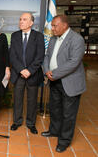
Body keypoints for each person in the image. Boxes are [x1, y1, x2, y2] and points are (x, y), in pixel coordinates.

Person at [42, 15, 86, 153]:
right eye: (52, 26)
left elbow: (74, 62)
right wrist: (47, 71)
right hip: (54, 81)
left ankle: (64, 141)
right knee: (55, 108)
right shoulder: (54, 38)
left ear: (65, 25)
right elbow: (47, 56)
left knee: (68, 114)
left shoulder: (77, 39)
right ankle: (54, 131)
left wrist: (54, 74)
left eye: (55, 26)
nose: (52, 28)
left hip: (69, 82)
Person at [9, 13, 45, 134]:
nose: (21, 22)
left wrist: (29, 70)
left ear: (31, 23)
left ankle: (31, 123)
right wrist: (21, 70)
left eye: (24, 20)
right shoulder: (14, 36)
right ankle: (17, 121)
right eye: (20, 19)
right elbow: (12, 56)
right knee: (17, 99)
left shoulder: (39, 36)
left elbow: (40, 56)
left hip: (33, 74)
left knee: (32, 100)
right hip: (18, 74)